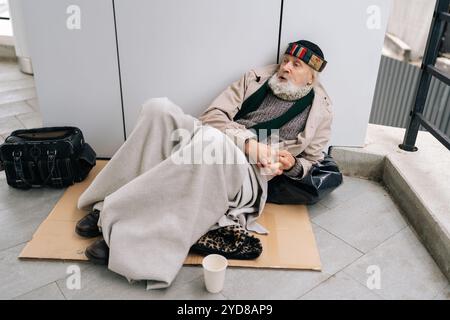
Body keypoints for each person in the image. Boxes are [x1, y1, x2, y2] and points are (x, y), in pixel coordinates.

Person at [75, 39, 332, 289]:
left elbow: (313, 161)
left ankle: (128, 238)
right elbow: (212, 116)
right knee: (158, 109)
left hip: (250, 170)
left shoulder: (321, 112)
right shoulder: (255, 78)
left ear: (311, 78)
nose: (285, 67)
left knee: (212, 142)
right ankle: (107, 202)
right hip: (226, 138)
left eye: (296, 65)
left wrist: (293, 165)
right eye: (285, 60)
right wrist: (247, 142)